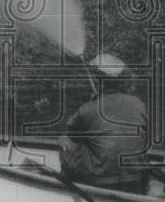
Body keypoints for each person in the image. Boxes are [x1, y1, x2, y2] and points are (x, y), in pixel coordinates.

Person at [59, 53, 148, 192]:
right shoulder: (138, 104)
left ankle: (71, 183)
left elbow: (71, 131)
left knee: (66, 139)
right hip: (136, 178)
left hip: (102, 181)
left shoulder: (87, 109)